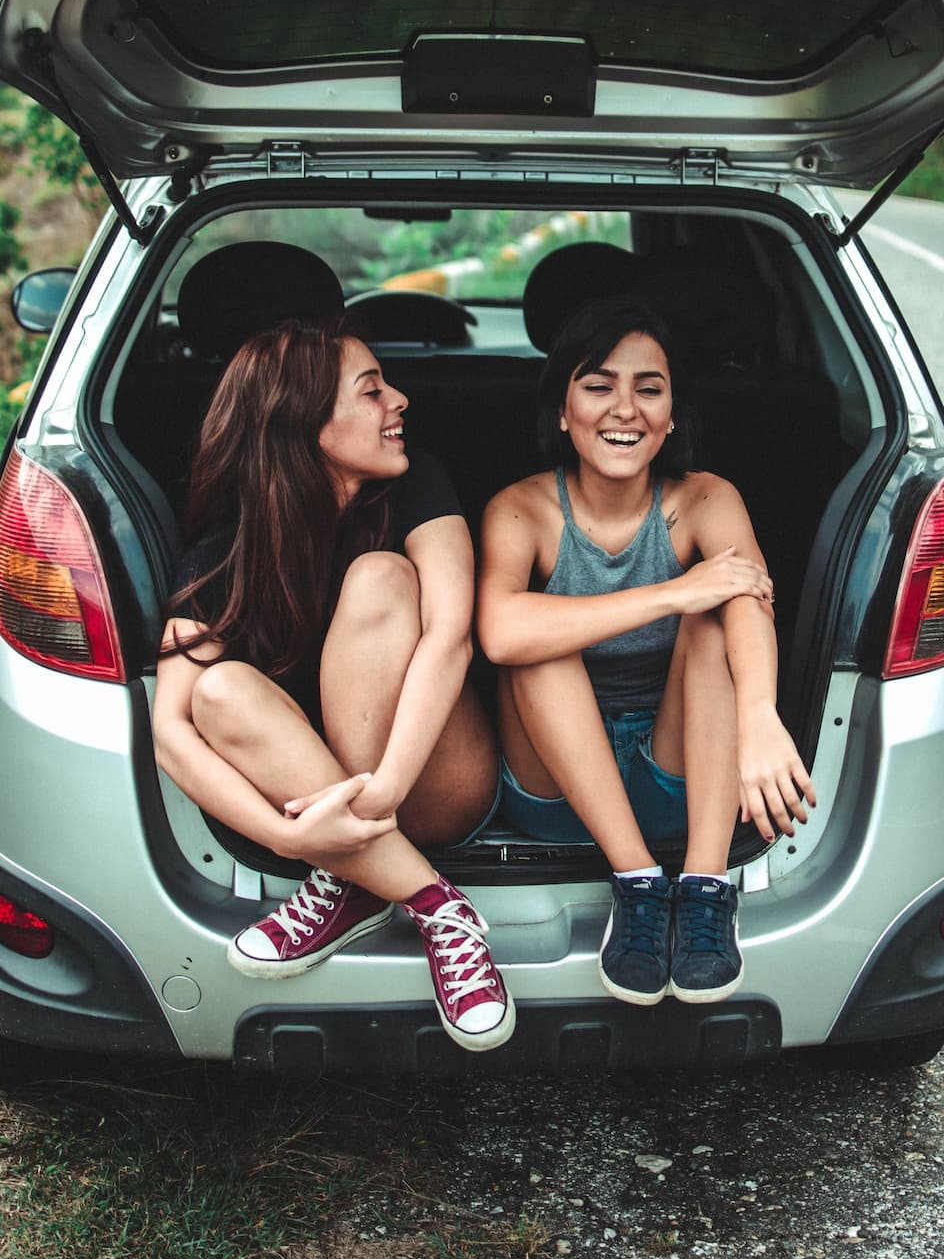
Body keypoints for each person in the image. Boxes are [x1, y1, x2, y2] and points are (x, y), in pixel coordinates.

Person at [153, 317, 515, 1052]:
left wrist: (377, 797)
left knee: (380, 577)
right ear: (307, 422)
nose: (400, 401)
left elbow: (452, 636)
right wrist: (293, 836)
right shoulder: (224, 552)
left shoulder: (420, 489)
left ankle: (350, 878)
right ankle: (432, 904)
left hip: (435, 780)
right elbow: (170, 732)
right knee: (215, 691)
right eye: (373, 391)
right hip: (323, 813)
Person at [476, 296, 816, 1007]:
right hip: (557, 789)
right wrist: (671, 592)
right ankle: (637, 883)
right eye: (598, 385)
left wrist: (759, 717)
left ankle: (702, 886)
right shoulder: (521, 508)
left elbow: (750, 597)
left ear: (671, 418)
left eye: (649, 389)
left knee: (717, 620)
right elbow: (501, 633)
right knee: (541, 639)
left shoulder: (706, 497)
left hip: (682, 783)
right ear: (563, 411)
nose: (624, 408)